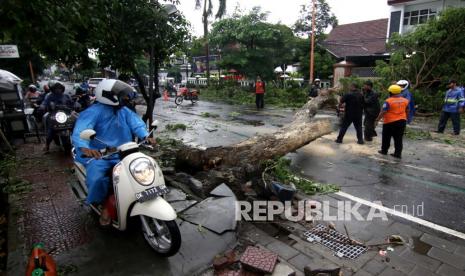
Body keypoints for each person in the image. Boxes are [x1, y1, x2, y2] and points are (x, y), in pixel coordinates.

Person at [71, 79, 155, 226]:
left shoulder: (123, 110)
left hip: (125, 153)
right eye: (119, 95)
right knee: (97, 179)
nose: (124, 98)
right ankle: (102, 204)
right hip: (101, 156)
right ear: (107, 95)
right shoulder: (93, 112)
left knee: (144, 168)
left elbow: (137, 124)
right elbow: (81, 131)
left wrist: (146, 136)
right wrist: (85, 147)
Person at [376, 85, 409, 159]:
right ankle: (398, 154)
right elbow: (407, 110)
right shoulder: (405, 100)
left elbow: (383, 111)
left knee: (386, 137)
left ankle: (384, 151)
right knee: (398, 138)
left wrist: (377, 119)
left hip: (390, 122)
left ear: (390, 92)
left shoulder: (388, 101)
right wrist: (406, 118)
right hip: (402, 121)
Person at [40, 81, 74, 152]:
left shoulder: (66, 96)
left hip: (66, 115)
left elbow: (72, 103)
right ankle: (47, 145)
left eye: (60, 88)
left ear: (62, 89)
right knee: (50, 129)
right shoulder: (49, 96)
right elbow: (45, 102)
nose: (58, 90)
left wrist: (76, 104)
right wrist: (42, 106)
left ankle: (81, 141)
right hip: (53, 115)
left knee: (76, 123)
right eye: (56, 88)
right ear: (53, 89)